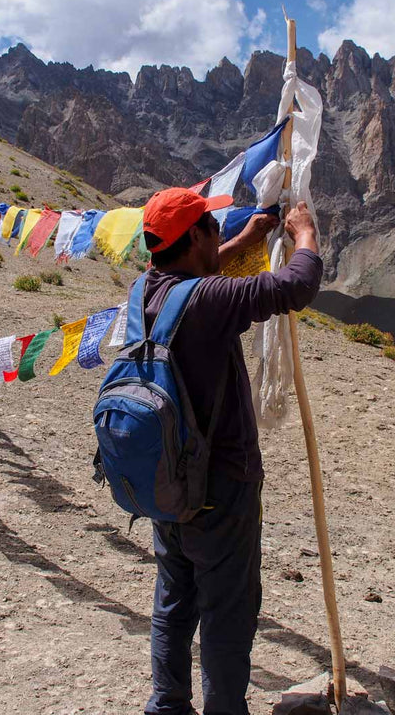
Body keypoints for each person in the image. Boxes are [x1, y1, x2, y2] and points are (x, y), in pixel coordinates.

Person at [137, 187, 322, 715]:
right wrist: (304, 232)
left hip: (166, 478)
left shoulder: (145, 290)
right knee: (228, 608)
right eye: (212, 229)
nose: (219, 234)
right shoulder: (210, 301)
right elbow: (295, 285)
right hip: (221, 485)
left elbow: (196, 277)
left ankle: (168, 705)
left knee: (175, 596)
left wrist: (246, 237)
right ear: (193, 237)